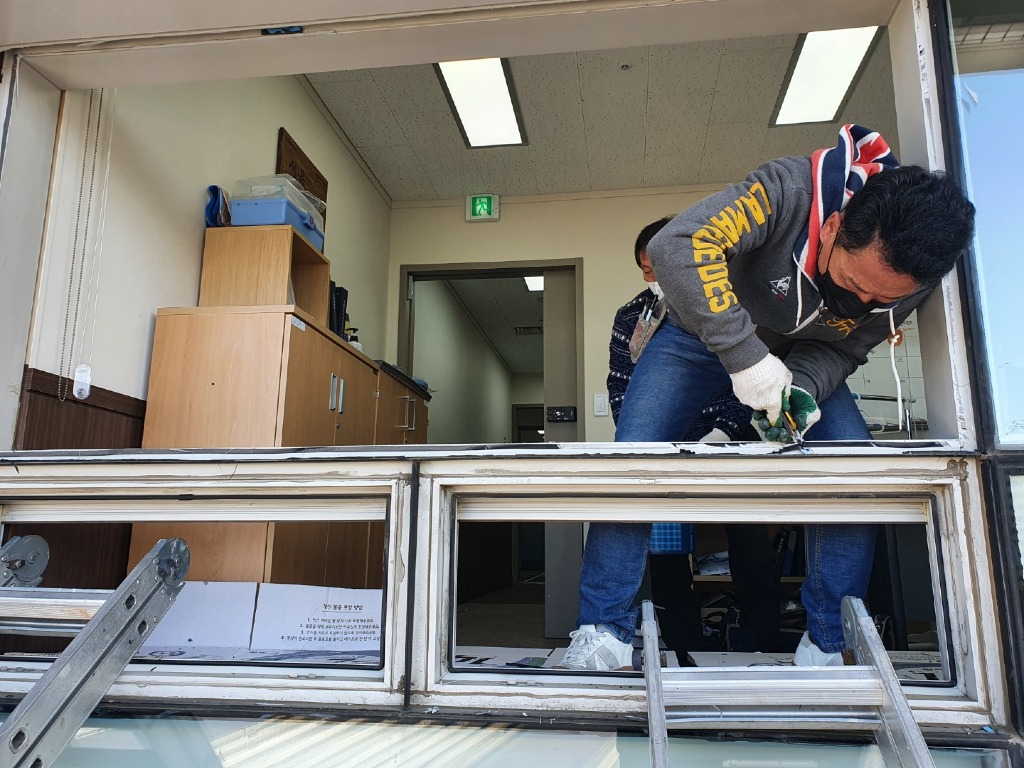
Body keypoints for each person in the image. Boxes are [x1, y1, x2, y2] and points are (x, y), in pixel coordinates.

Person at [563, 124, 975, 671]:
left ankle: (828, 644)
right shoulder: (786, 191)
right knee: (634, 457)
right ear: (834, 228)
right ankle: (602, 634)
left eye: (881, 298)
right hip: (694, 336)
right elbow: (676, 245)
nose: (863, 301)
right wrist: (747, 358)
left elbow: (846, 348)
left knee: (854, 469)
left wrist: (799, 389)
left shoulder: (914, 278)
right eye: (855, 283)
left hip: (803, 354)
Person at [608, 217, 781, 661]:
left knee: (751, 547)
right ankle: (684, 643)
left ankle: (760, 642)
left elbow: (750, 377)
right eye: (648, 269)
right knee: (665, 554)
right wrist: (642, 440)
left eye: (662, 265)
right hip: (665, 451)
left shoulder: (728, 303)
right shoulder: (632, 317)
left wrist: (723, 432)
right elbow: (621, 386)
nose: (655, 277)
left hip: (729, 443)